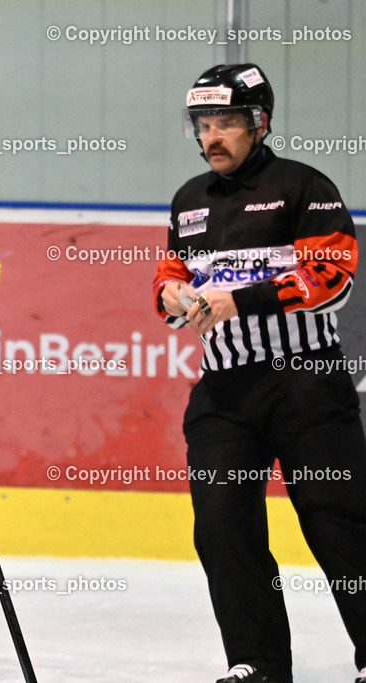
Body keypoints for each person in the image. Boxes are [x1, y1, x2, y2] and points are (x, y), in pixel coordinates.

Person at [154, 64, 366, 683]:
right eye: (203, 124)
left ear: (260, 124)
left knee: (340, 523)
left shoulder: (304, 186)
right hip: (225, 394)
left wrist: (240, 300)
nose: (212, 136)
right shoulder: (190, 200)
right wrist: (170, 296)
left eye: (226, 123)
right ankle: (260, 664)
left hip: (306, 386)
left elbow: (333, 279)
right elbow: (172, 273)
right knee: (223, 530)